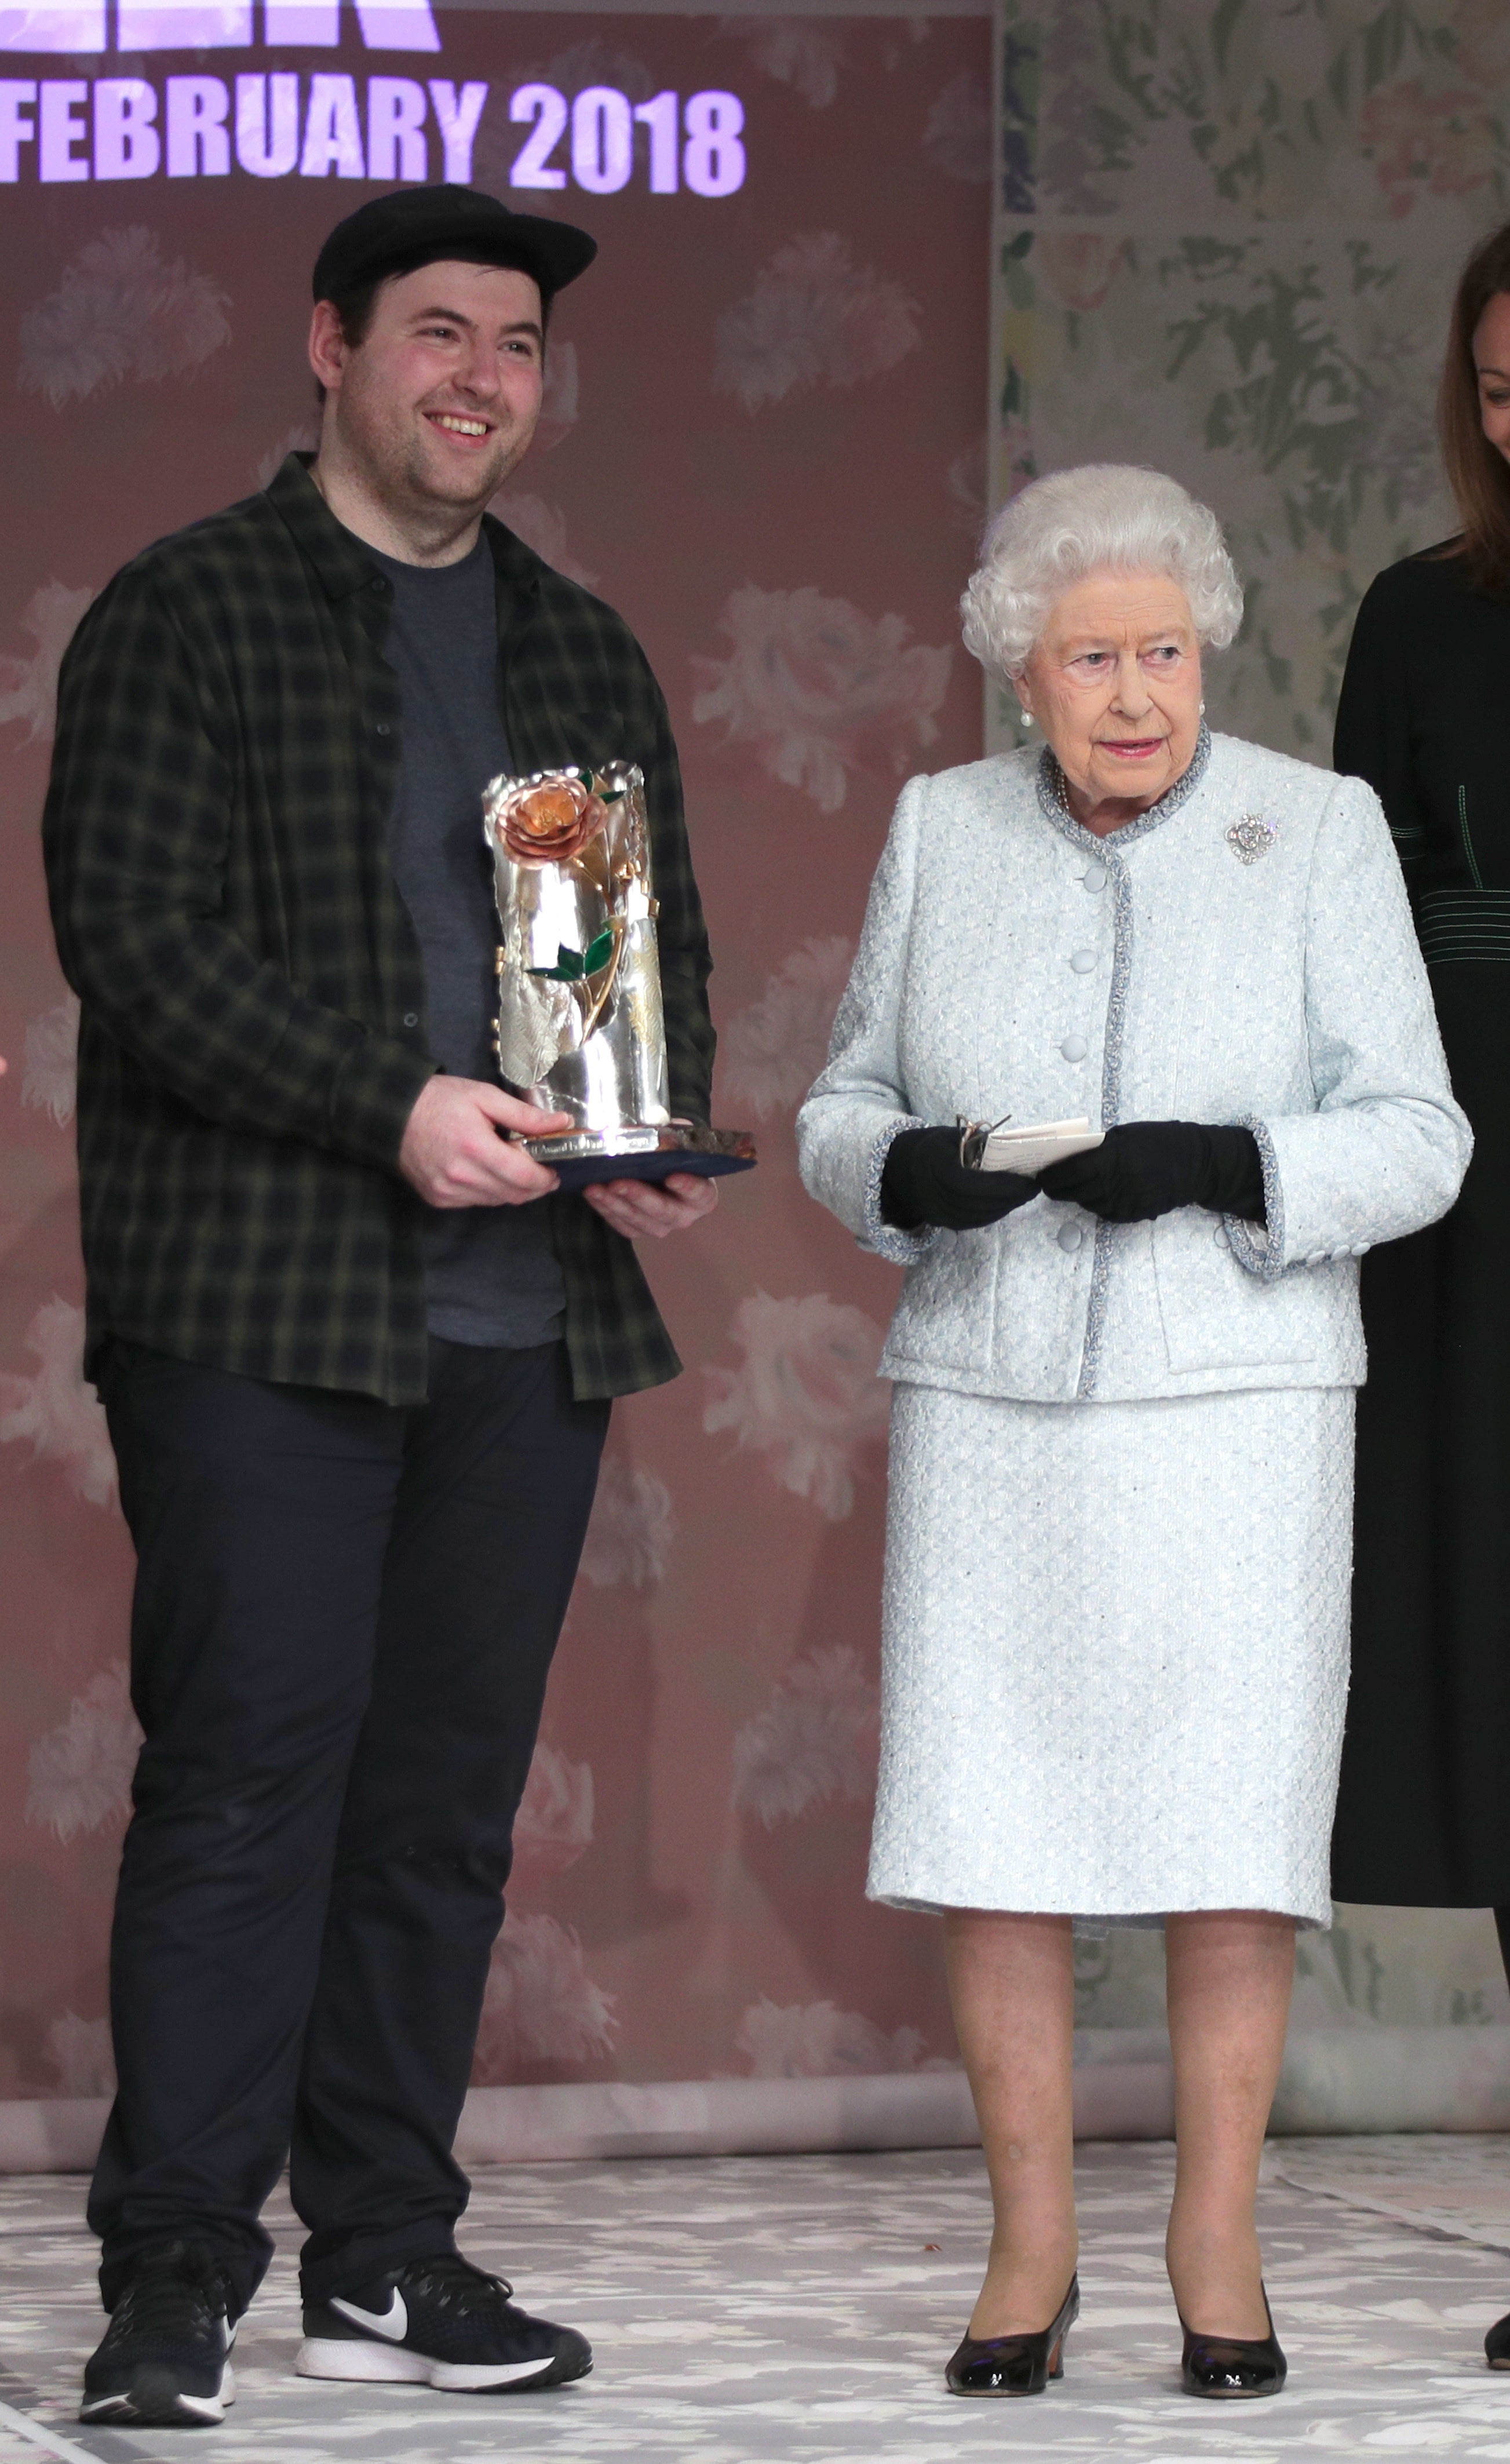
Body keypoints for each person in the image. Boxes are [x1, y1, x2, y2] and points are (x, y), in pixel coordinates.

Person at [42, 184, 719, 2431]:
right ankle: (172, 2277)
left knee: (436, 1810)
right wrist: (387, 1105)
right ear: (327, 346)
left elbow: (626, 969)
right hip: (264, 1306)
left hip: (518, 1319)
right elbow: (132, 939)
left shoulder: (574, 647)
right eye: (437, 332)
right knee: (247, 1790)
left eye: (514, 346)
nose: (477, 379)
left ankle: (386, 2257)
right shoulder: (189, 610)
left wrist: (631, 1139)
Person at [797, 464, 1469, 2402]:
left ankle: (1218, 2237)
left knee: (1230, 1845)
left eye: (1162, 651)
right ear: (1023, 670)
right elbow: (843, 1104)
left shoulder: (1317, 827)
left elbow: (1420, 1134)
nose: (1134, 692)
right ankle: (1028, 2249)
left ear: (1205, 652)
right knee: (992, 1839)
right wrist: (908, 1169)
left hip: (1239, 1413)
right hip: (994, 1400)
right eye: (1090, 656)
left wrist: (1231, 1160)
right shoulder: (940, 830)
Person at [1329, 217, 1510, 2371]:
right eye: (1494, 385)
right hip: (1470, 1198)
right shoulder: (1415, 616)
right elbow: (1351, 938)